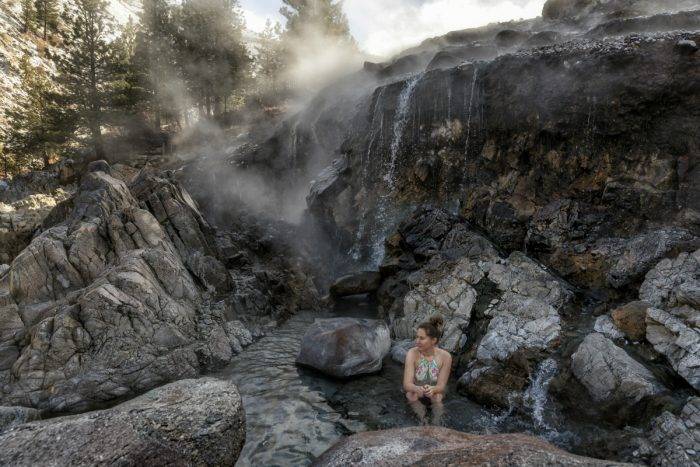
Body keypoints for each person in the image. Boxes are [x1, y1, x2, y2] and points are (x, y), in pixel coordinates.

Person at [402, 316, 452, 425]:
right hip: (417, 389)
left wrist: (433, 389)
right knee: (411, 395)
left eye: (422, 338)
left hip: (435, 389)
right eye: (417, 337)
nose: (417, 341)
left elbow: (441, 386)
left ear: (433, 340)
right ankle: (423, 422)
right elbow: (407, 384)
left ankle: (437, 424)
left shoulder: (445, 357)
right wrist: (417, 388)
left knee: (437, 397)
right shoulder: (412, 353)